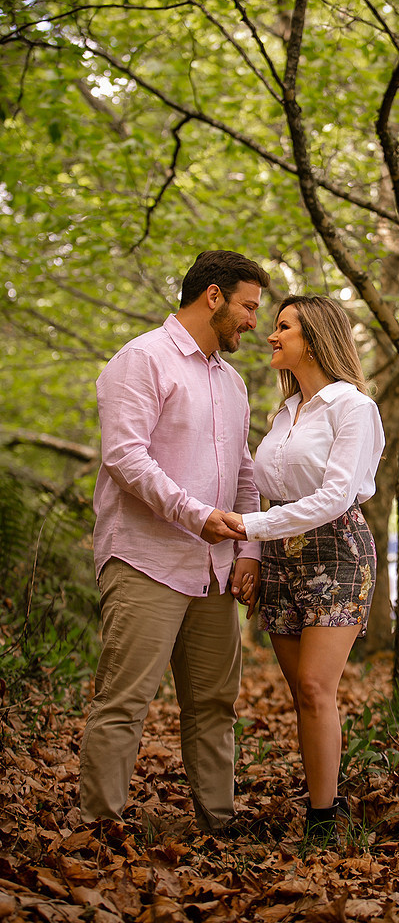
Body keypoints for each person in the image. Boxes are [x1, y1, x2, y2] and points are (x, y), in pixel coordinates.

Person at [79, 249, 270, 832]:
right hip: (147, 559)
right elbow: (124, 458)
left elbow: (243, 474)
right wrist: (195, 514)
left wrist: (249, 551)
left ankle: (219, 822)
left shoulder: (232, 383)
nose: (254, 322)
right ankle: (100, 829)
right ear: (213, 296)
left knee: (214, 703)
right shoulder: (141, 360)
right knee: (124, 701)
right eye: (248, 307)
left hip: (214, 570)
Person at [223, 295, 385, 844]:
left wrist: (250, 528)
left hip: (336, 551)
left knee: (316, 686)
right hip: (279, 556)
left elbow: (336, 496)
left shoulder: (353, 407)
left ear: (314, 339)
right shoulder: (284, 413)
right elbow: (264, 489)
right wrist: (255, 550)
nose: (270, 334)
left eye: (283, 326)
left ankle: (323, 821)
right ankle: (326, 797)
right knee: (302, 692)